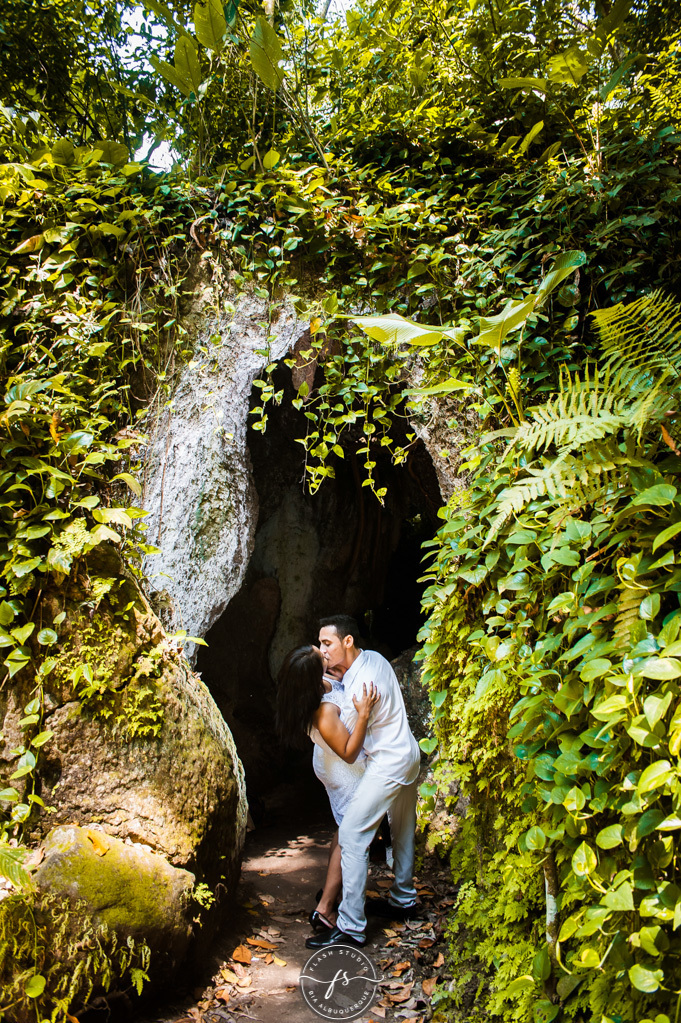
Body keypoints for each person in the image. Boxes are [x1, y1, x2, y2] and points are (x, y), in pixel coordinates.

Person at [306, 615, 421, 950]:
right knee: (402, 830)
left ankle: (351, 926)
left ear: (347, 642)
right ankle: (404, 900)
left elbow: (349, 746)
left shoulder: (359, 691)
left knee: (353, 837)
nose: (323, 652)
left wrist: (330, 689)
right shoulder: (374, 660)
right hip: (408, 754)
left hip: (387, 764)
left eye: (327, 644)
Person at [276, 644, 379, 930]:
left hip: (329, 759)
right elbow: (348, 752)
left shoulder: (312, 685)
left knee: (345, 828)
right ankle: (324, 909)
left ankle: (331, 892)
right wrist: (363, 714)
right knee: (352, 833)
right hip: (342, 768)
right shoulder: (323, 712)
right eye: (321, 656)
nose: (324, 652)